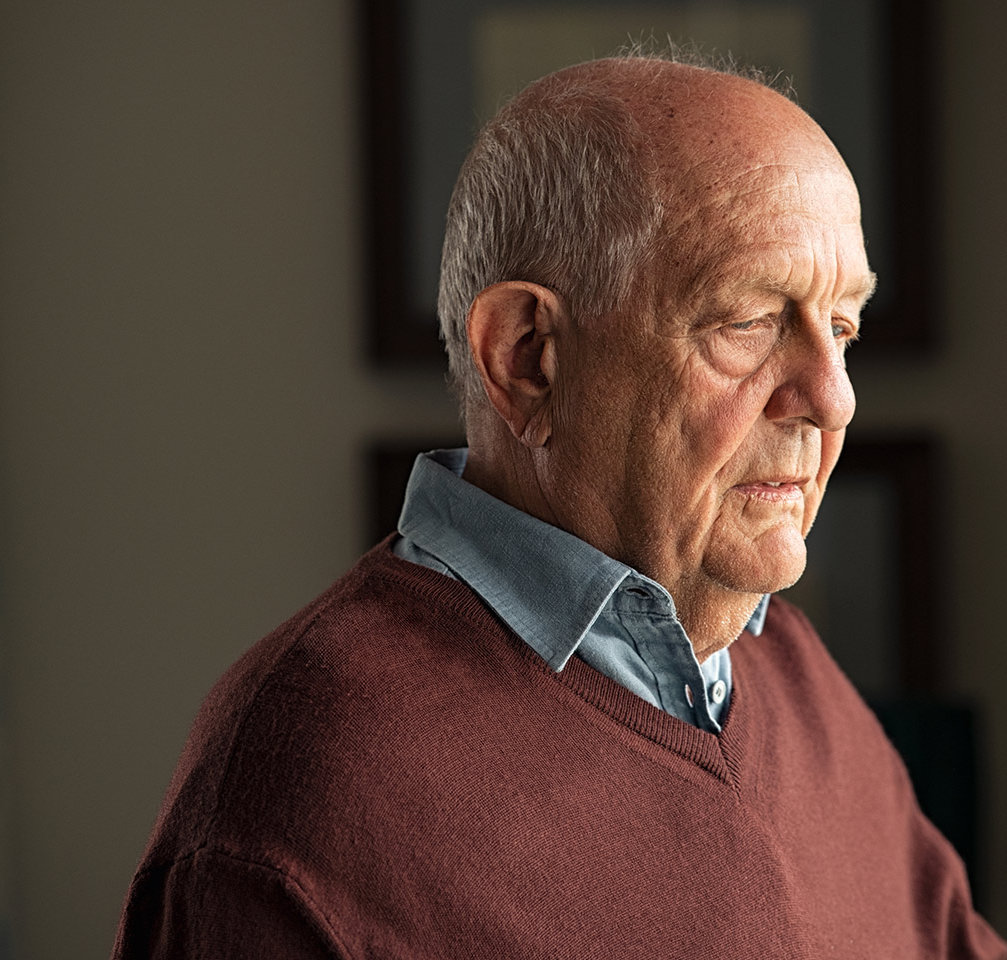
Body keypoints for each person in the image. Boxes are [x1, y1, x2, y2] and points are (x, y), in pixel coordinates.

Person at [112, 54, 1006, 958]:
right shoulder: (301, 793)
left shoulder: (794, 674)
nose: (833, 398)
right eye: (749, 321)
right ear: (527, 357)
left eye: (842, 328)